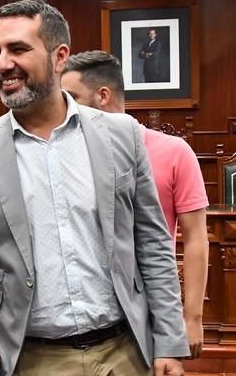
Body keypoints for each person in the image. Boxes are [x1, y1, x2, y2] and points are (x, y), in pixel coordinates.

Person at [0, 0, 189, 376]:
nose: (2, 64)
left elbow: (153, 243)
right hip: (36, 357)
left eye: (18, 49)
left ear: (59, 56)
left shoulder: (120, 134)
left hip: (123, 351)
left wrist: (170, 341)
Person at [62, 50, 209, 359]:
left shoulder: (174, 152)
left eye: (71, 96)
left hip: (152, 303)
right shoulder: (67, 156)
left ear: (103, 96)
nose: (63, 106)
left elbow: (196, 238)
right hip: (87, 311)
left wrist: (192, 318)